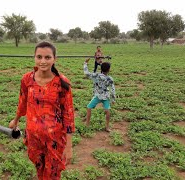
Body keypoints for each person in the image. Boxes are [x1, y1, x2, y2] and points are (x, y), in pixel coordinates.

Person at [9, 41, 75, 180]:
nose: (43, 61)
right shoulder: (27, 79)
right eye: (39, 57)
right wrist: (15, 120)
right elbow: (22, 102)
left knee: (52, 174)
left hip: (55, 139)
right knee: (40, 170)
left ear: (54, 59)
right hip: (34, 137)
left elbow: (68, 116)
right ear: (34, 58)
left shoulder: (62, 83)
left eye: (47, 57)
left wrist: (69, 147)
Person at [84, 58, 116, 132]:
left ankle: (87, 124)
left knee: (89, 108)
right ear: (108, 70)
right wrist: (113, 99)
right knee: (107, 111)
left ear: (101, 68)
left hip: (97, 95)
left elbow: (86, 73)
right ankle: (107, 127)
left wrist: (85, 63)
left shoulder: (97, 75)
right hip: (106, 96)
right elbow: (113, 89)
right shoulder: (110, 79)